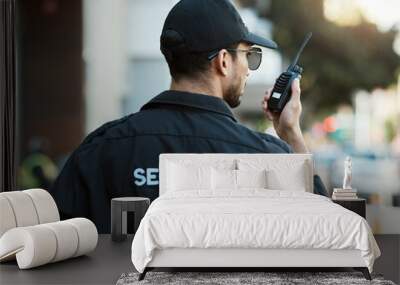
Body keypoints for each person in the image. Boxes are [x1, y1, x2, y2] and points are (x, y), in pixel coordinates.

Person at [50, 0, 328, 233]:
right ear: (223, 61)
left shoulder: (100, 150)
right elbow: (323, 229)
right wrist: (291, 134)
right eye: (249, 56)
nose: (248, 70)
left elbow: (56, 243)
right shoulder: (268, 157)